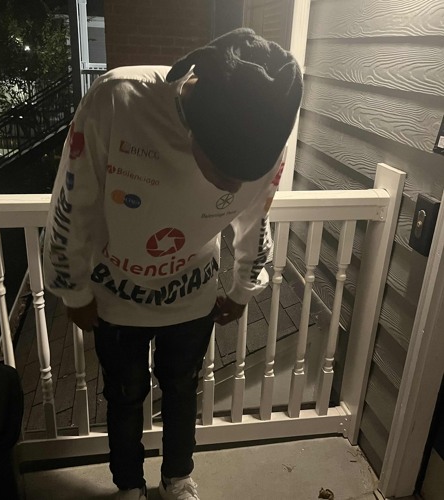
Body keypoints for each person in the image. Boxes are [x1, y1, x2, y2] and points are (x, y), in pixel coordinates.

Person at [43, 28, 302, 500]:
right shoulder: (116, 100)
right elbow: (72, 204)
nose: (232, 186)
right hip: (114, 294)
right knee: (124, 397)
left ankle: (177, 478)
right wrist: (72, 289)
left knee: (182, 391)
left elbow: (257, 217)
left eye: (244, 175)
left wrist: (244, 288)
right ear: (195, 122)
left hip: (193, 295)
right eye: (222, 169)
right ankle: (128, 485)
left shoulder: (268, 125)